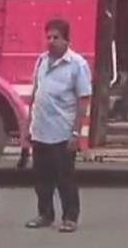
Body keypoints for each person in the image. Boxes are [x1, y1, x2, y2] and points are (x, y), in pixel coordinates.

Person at [26, 18, 91, 233]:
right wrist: (28, 127)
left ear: (66, 40)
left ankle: (70, 217)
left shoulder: (77, 65)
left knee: (65, 178)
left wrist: (76, 132)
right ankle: (45, 214)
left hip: (62, 132)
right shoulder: (41, 61)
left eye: (56, 37)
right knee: (41, 178)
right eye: (49, 37)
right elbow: (35, 94)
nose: (51, 41)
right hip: (40, 130)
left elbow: (83, 100)